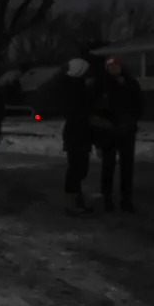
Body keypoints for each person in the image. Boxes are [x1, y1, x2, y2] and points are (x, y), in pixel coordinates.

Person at [94, 56, 143, 213]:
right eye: (109, 67)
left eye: (115, 66)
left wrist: (130, 121)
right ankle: (107, 198)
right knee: (108, 166)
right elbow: (97, 108)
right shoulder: (101, 85)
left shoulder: (131, 84)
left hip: (127, 131)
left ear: (121, 67)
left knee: (127, 166)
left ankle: (126, 199)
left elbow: (139, 105)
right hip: (109, 131)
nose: (112, 69)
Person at [61, 58, 97, 216]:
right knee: (76, 169)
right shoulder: (74, 89)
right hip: (76, 133)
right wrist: (91, 119)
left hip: (79, 133)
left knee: (80, 168)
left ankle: (76, 199)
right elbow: (77, 112)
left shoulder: (78, 87)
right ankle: (71, 203)